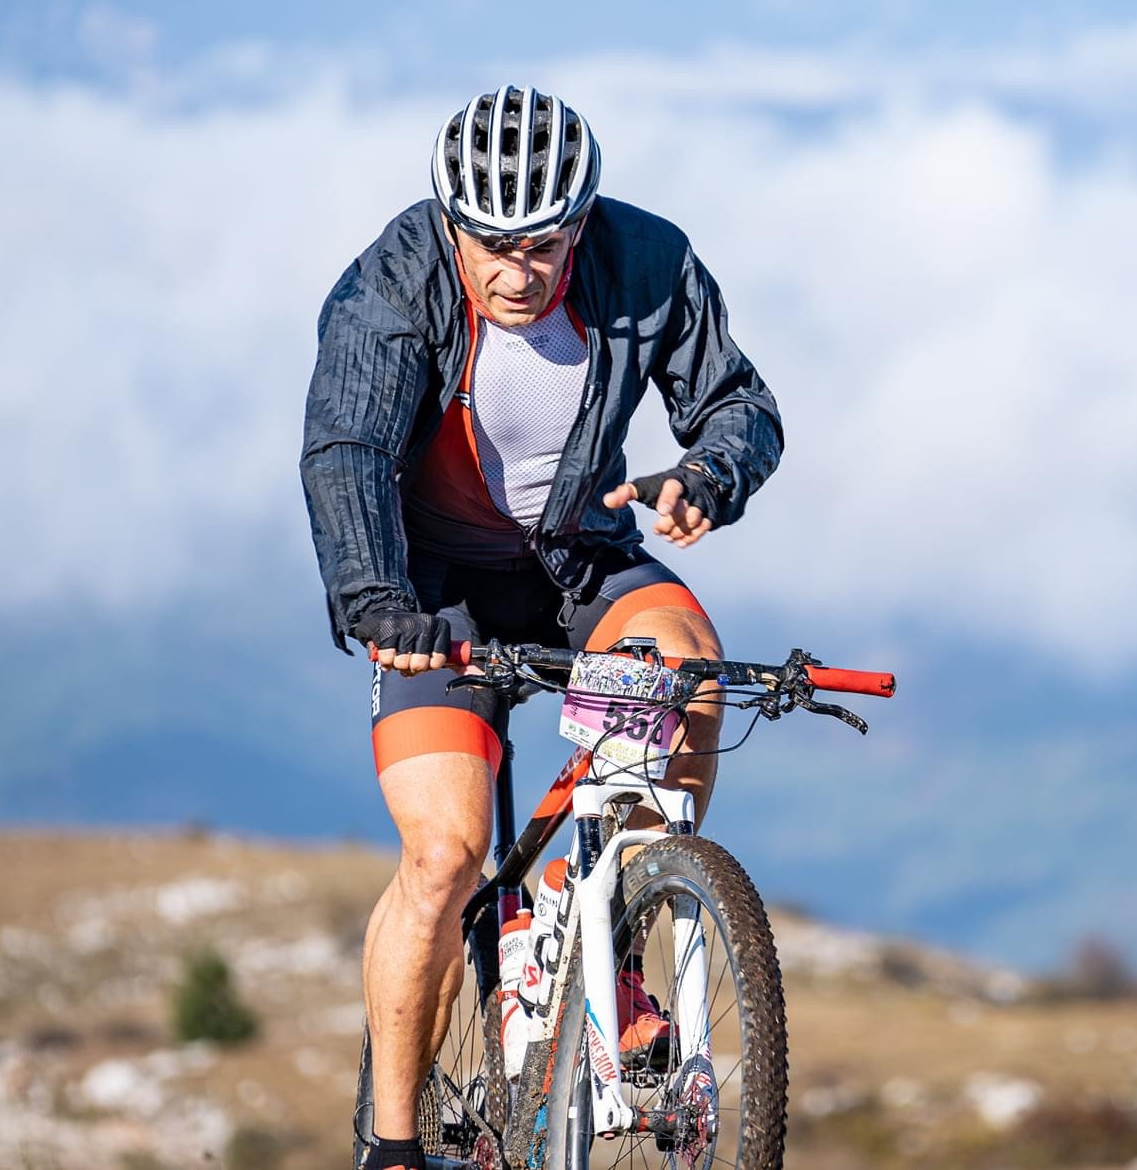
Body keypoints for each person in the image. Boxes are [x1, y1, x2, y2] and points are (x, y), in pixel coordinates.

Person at [299, 85, 782, 1170]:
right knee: (445, 855)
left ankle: (608, 913)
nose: (521, 273)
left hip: (578, 560)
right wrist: (378, 604)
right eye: (494, 246)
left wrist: (709, 474)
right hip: (435, 594)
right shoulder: (392, 285)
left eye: (548, 243)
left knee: (685, 668)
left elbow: (740, 405)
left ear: (584, 220)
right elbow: (348, 454)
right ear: (450, 224)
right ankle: (390, 1143)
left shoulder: (645, 260)